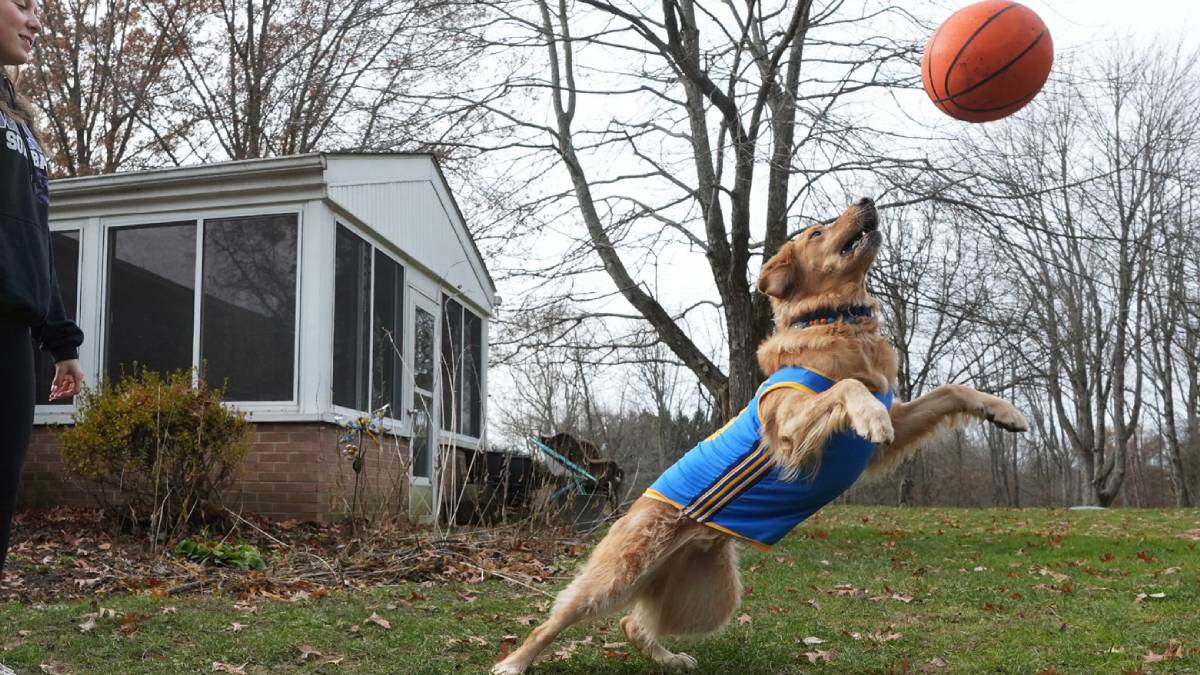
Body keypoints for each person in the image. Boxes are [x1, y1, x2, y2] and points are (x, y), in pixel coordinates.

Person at [1, 0, 85, 585]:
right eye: (22, 4)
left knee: (3, 486)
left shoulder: (21, 124)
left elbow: (34, 240)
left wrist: (62, 341)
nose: (36, 21)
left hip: (12, 332)